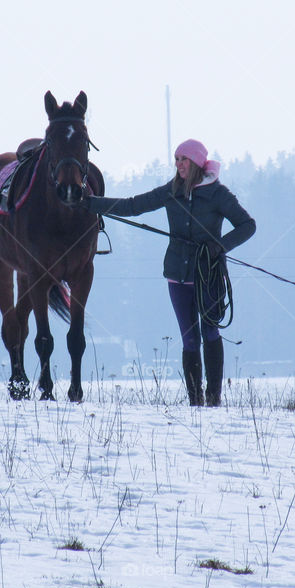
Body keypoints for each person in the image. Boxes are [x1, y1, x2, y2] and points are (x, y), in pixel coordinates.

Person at [81, 139, 256, 406]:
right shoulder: (171, 190)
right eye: (176, 159)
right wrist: (90, 204)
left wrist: (218, 246)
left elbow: (248, 225)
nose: (178, 164)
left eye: (183, 159)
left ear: (196, 162)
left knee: (210, 333)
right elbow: (132, 205)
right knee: (189, 339)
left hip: (208, 276)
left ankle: (213, 399)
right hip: (177, 276)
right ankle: (195, 401)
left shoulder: (219, 194)